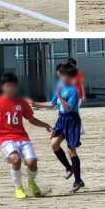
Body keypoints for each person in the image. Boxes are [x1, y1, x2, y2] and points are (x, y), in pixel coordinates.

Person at [0, 72, 53, 199]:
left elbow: (31, 119)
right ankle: (19, 188)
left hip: (22, 138)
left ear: (16, 86)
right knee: (16, 160)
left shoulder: (21, 102)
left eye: (13, 85)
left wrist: (45, 125)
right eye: (8, 86)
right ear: (2, 87)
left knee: (32, 162)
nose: (10, 88)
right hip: (6, 139)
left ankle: (31, 182)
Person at [30, 63, 84, 192]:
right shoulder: (60, 86)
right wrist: (35, 103)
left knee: (71, 150)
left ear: (69, 76)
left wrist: (60, 97)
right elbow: (52, 103)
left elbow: (69, 108)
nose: (60, 77)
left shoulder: (73, 91)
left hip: (72, 120)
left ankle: (78, 181)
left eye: (62, 75)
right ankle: (69, 168)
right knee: (54, 143)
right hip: (61, 119)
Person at [68, 58, 86, 135]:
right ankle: (79, 129)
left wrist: (83, 95)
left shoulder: (78, 74)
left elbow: (81, 85)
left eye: (72, 65)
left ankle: (80, 129)